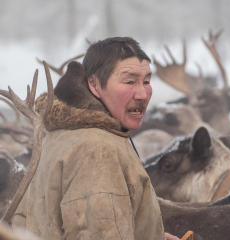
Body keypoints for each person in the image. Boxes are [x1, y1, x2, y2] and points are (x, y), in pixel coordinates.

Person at [12, 37, 180, 240]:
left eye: (146, 81)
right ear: (94, 84)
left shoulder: (62, 135)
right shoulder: (99, 149)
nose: (143, 94)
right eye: (129, 81)